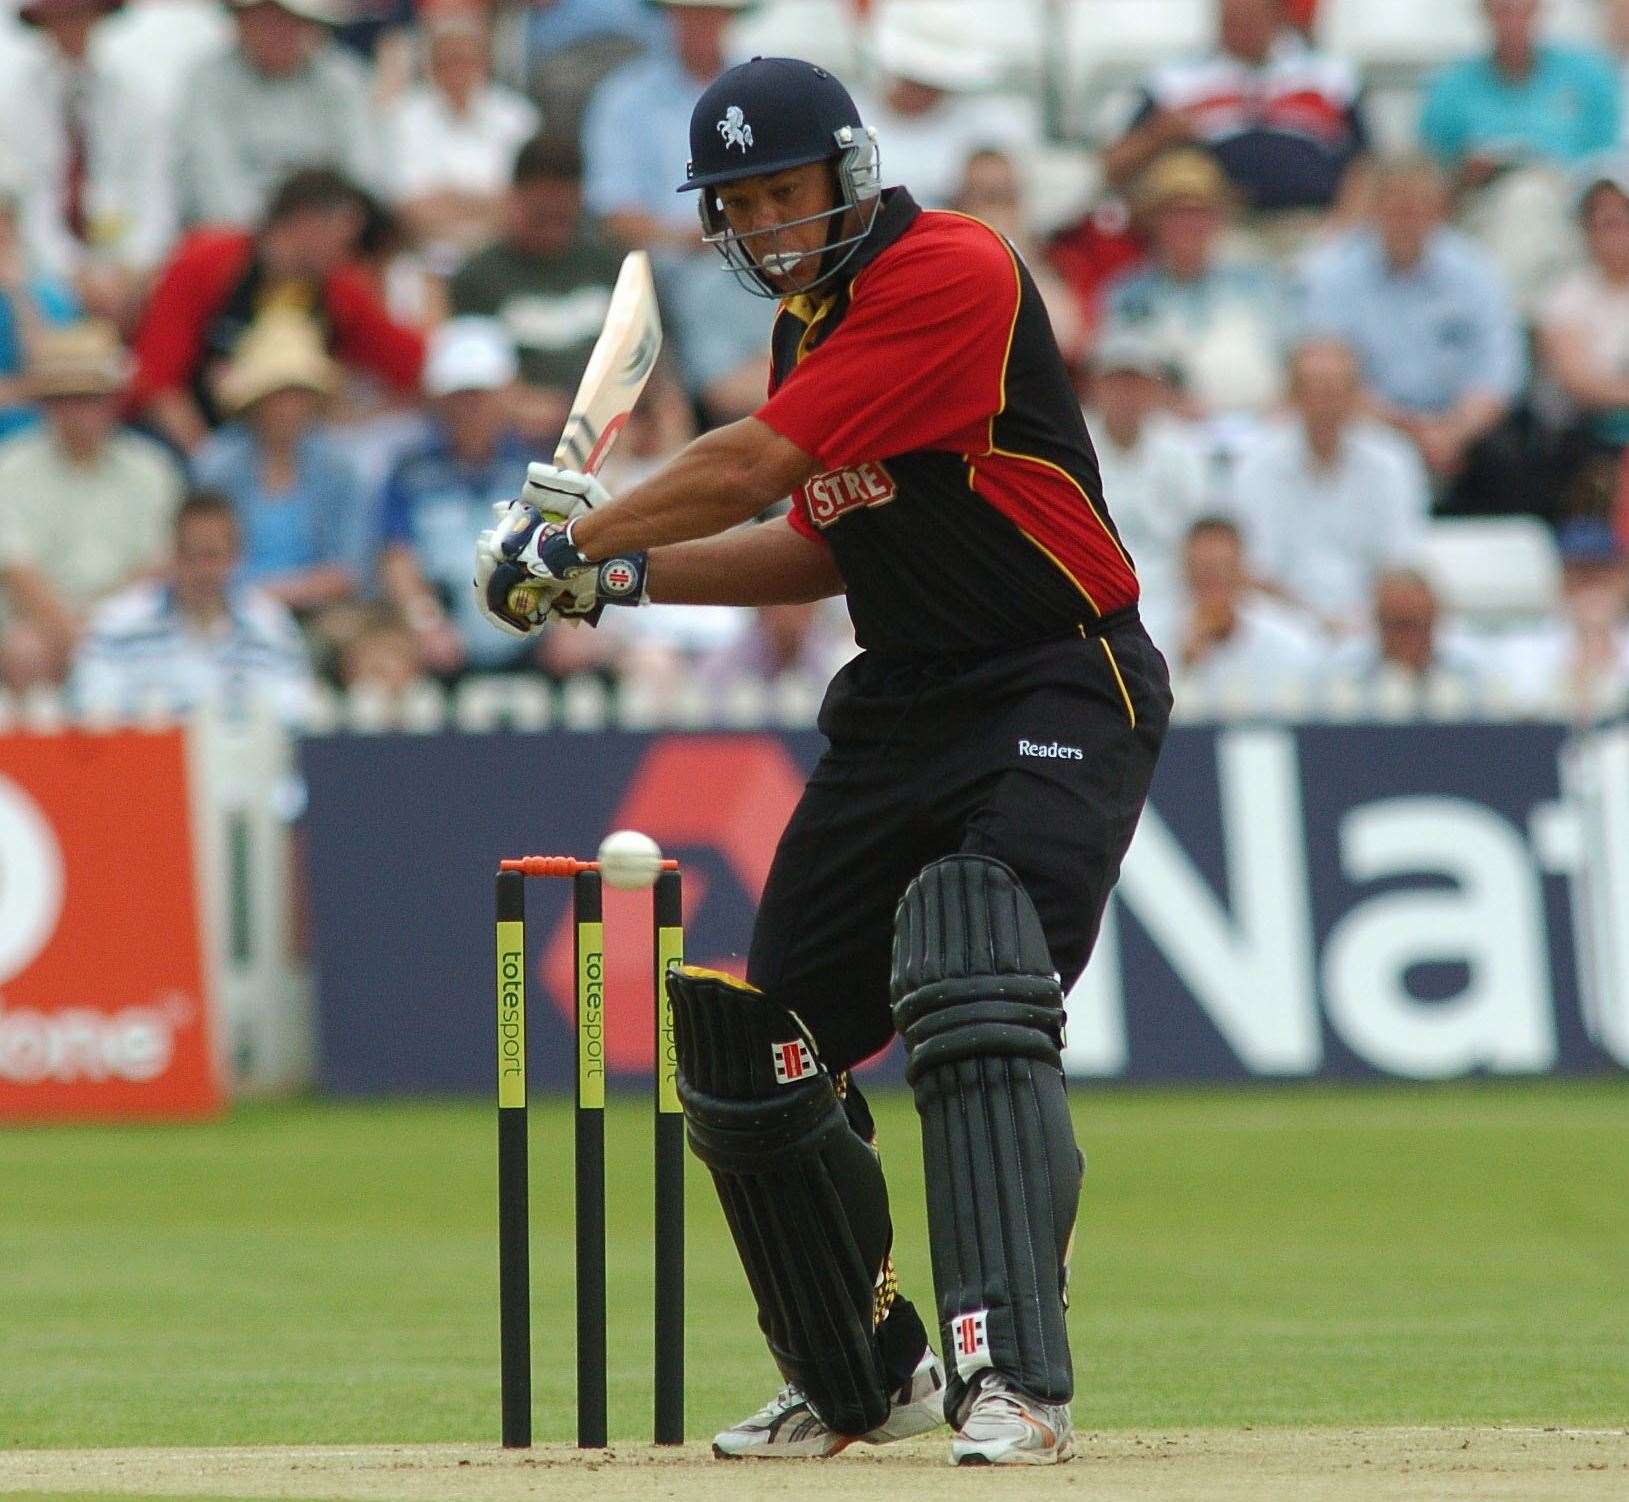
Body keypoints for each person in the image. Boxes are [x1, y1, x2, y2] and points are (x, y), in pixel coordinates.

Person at [472, 56, 1169, 1466]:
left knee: (973, 971)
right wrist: (612, 583)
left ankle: (1014, 1376)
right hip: (902, 697)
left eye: (783, 192)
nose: (766, 225)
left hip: (1054, 669)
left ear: (846, 175)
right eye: (737, 205)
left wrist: (574, 537)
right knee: (759, 1045)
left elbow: (749, 464)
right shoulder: (811, 331)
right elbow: (815, 541)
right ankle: (868, 1372)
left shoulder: (952, 272)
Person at [128, 168, 424, 456]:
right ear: (307, 222)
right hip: (198, 438)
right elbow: (156, 382)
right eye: (345, 239)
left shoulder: (340, 292)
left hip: (290, 456)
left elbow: (414, 364)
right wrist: (210, 460)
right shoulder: (210, 262)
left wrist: (362, 416)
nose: (349, 252)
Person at [1297, 155, 1527, 515]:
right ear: (1373, 209)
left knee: (1514, 453)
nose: (1407, 217)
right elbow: (1325, 373)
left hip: (1462, 426)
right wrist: (1410, 431)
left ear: (1440, 210)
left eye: (1418, 206)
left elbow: (1500, 371)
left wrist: (1453, 431)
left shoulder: (1476, 271)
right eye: (1396, 205)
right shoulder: (1333, 275)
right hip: (1370, 423)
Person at [0, 321, 183, 686]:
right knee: (25, 652)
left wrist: (104, 628)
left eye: (91, 397)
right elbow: (17, 572)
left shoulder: (152, 469)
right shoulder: (11, 468)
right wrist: (75, 633)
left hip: (135, 625)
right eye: (65, 398)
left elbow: (160, 566)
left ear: (114, 400)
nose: (79, 410)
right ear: (47, 405)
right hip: (39, 628)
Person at [1101, 0, 1368, 247]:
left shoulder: (1329, 75)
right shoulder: (1178, 80)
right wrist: (1159, 134)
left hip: (1314, 223)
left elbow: (1367, 163)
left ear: (1277, 14)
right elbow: (1114, 168)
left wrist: (1343, 226)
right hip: (1218, 233)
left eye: (1250, 17)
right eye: (1231, 18)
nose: (1240, 28)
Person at [1228, 340, 1431, 632]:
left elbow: (1399, 565)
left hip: (1374, 625)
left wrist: (1355, 623)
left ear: (1356, 394)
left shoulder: (1392, 463)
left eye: (1335, 390)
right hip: (1280, 624)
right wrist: (1314, 623)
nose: (1324, 403)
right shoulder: (1256, 466)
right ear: (1292, 396)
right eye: (1312, 391)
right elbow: (1255, 571)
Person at [0, 0, 176, 325]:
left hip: (127, 271)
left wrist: (131, 267)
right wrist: (74, 273)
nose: (70, 27)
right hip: (46, 272)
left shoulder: (136, 95)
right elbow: (28, 201)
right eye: (60, 17)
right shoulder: (13, 102)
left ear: (98, 17)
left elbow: (154, 193)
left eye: (79, 14)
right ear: (42, 24)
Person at [71, 490, 315, 720]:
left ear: (236, 556)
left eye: (211, 556)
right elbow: (93, 714)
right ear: (172, 554)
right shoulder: (117, 626)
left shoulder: (270, 626)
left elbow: (297, 714)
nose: (200, 570)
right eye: (189, 556)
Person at [445, 133, 623, 445]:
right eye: (541, 215)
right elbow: (474, 383)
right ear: (515, 198)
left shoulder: (610, 266)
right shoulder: (480, 277)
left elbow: (650, 366)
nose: (551, 226)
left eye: (561, 216)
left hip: (613, 430)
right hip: (517, 440)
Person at [378, 317, 532, 676]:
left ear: (505, 395)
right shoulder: (410, 473)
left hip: (535, 630)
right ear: (437, 399)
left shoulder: (536, 470)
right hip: (441, 636)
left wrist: (562, 622)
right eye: (458, 397)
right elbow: (397, 558)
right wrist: (425, 622)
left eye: (480, 395)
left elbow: (568, 552)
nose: (469, 408)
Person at [193, 309, 369, 614]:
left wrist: (275, 596)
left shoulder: (340, 466)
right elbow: (202, 558)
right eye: (279, 394)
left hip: (321, 613)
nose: (289, 408)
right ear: (256, 400)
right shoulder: (216, 465)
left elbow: (350, 570)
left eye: (298, 394)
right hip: (229, 611)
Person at [1101, 148, 1290, 428]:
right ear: (1155, 221)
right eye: (1178, 214)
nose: (1190, 226)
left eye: (1201, 213)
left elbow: (1294, 357)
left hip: (1260, 427)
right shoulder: (1128, 295)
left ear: (1218, 220)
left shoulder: (1259, 285)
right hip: (1167, 432)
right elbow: (1119, 376)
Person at [175, 0, 380, 227]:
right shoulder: (207, 83)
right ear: (240, 22)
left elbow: (363, 173)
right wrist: (267, 243)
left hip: (330, 237)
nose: (275, 32)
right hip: (236, 237)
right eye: (263, 20)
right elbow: (213, 182)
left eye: (287, 20)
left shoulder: (343, 81)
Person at [1079, 328, 1210, 654]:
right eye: (1116, 382)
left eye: (1136, 383)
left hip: (1173, 595)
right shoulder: (1074, 448)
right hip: (1093, 595)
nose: (1126, 393)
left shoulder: (1183, 450)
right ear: (1095, 387)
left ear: (1155, 389)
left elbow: (1202, 536)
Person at [384, 11, 540, 265]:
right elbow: (407, 209)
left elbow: (524, 205)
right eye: (447, 60)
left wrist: (450, 198)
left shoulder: (518, 117)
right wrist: (486, 203)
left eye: (466, 59)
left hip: (507, 260)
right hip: (422, 260)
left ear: (485, 62)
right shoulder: (404, 118)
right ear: (431, 66)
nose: (458, 69)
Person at [1536, 163, 1629, 515]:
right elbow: (1579, 383)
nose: (1619, 233)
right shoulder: (1567, 296)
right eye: (1607, 223)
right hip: (1587, 440)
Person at [1166, 514, 1326, 700]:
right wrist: (1186, 663)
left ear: (1242, 570)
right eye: (1202, 570)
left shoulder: (1286, 640)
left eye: (1222, 569)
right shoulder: (1149, 634)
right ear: (1184, 571)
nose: (1212, 581)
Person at [0, 173, 81, 443]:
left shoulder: (49, 295)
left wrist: (18, 295)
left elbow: (61, 380)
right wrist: (28, 389)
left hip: (37, 440)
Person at [1325, 566, 1487, 699]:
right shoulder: (1347, 683)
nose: (1412, 637)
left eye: (1422, 624)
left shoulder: (1470, 681)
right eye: (1402, 625)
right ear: (1380, 624)